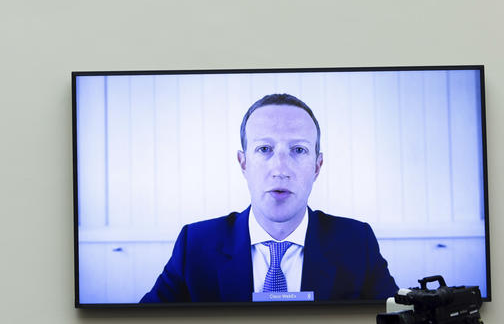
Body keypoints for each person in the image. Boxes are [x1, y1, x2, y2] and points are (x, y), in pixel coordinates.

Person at [140, 93, 398, 302]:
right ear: (243, 163)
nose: (280, 169)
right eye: (264, 149)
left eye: (298, 150)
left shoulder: (357, 243)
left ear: (317, 166)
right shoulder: (195, 245)